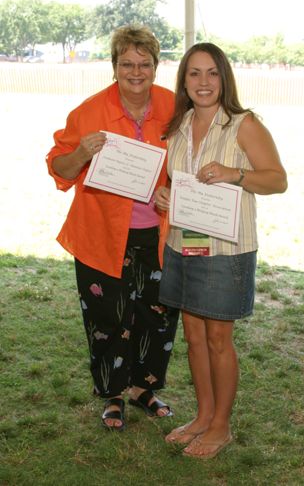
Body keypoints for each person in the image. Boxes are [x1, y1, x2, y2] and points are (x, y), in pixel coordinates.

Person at [154, 42, 287, 458]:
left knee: (217, 339)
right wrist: (166, 197)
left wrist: (236, 174)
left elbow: (277, 180)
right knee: (193, 336)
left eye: (212, 73)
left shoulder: (243, 125)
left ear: (224, 77)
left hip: (227, 249)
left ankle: (221, 427)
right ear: (184, 81)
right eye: (194, 73)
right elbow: (181, 186)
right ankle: (204, 416)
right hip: (185, 242)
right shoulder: (179, 124)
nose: (203, 82)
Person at [46, 25, 179, 431]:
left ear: (156, 67)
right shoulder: (89, 111)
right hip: (101, 235)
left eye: (144, 64)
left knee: (156, 317)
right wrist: (82, 151)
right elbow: (59, 169)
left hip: (158, 234)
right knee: (108, 320)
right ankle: (113, 395)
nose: (135, 72)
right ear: (114, 66)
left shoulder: (176, 108)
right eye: (126, 64)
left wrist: (170, 191)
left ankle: (143, 388)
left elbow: (189, 165)